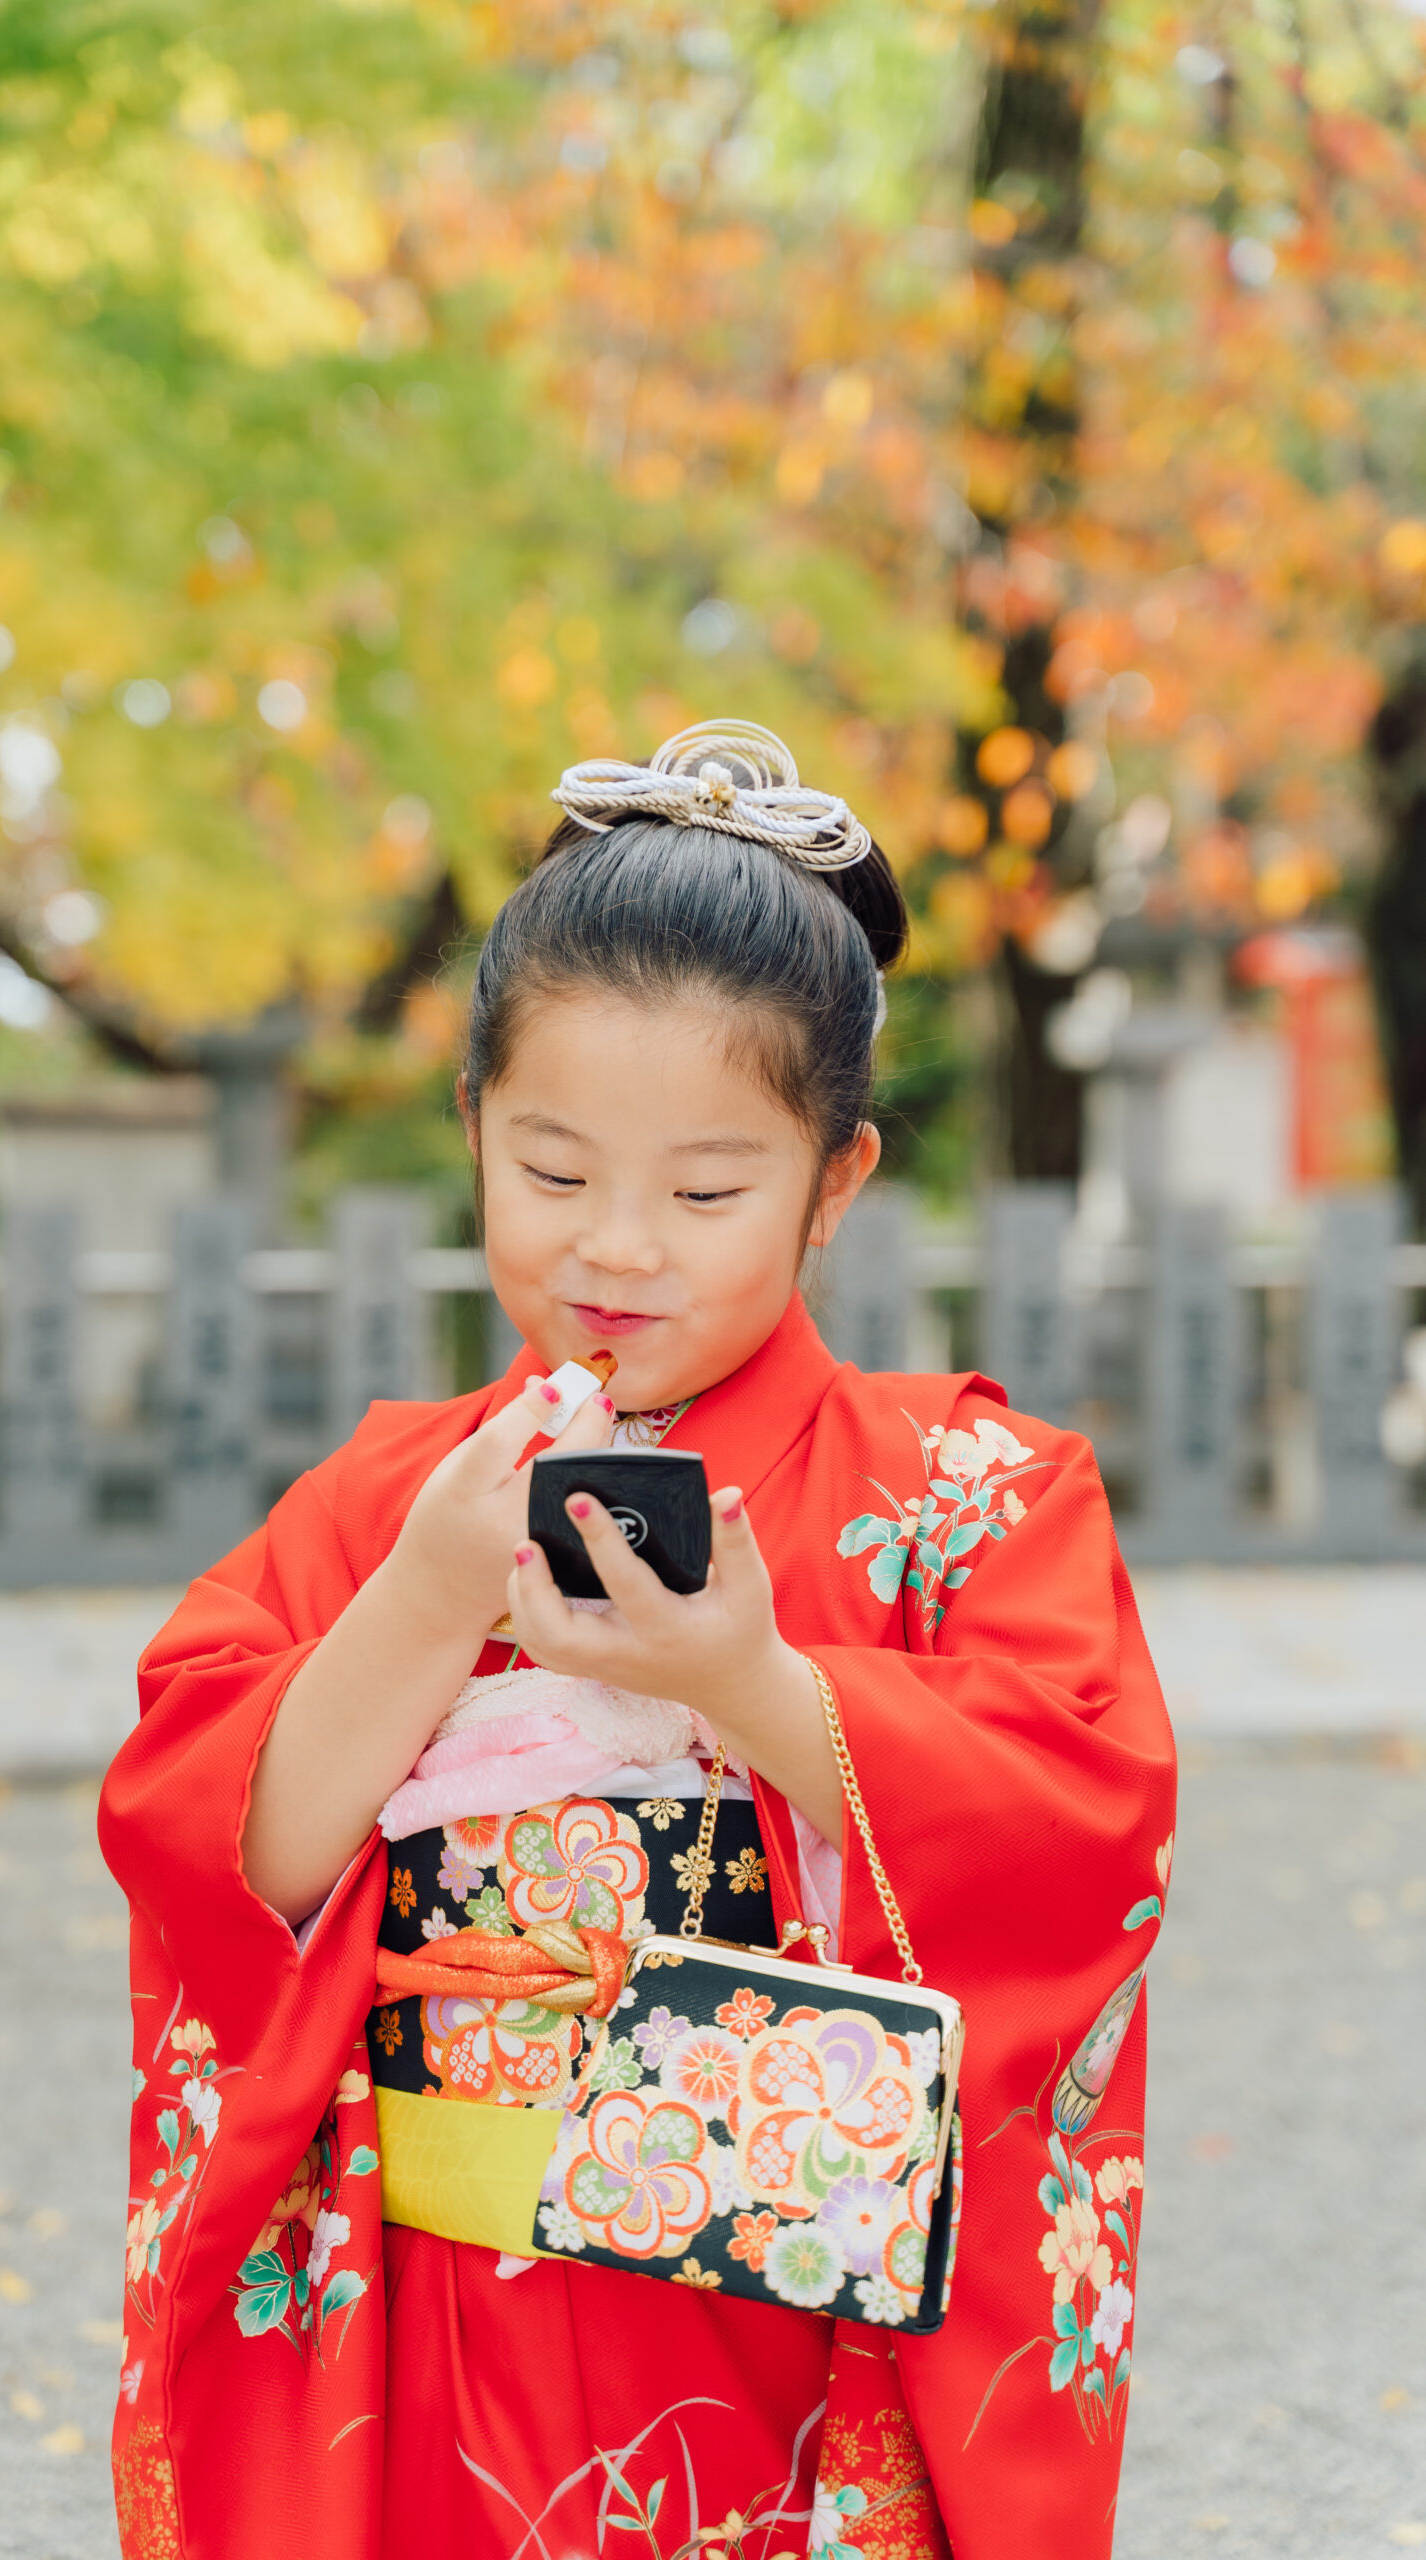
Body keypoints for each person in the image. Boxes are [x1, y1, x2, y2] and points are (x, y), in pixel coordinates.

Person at [98, 722, 1176, 2560]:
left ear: (837, 1180)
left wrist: (747, 1686)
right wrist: (427, 1600)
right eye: (552, 1170)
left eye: (704, 1193)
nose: (616, 1249)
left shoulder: (973, 1499)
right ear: (471, 1128)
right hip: (436, 2334)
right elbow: (214, 1854)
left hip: (788, 2337)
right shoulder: (389, 1504)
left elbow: (1083, 1824)